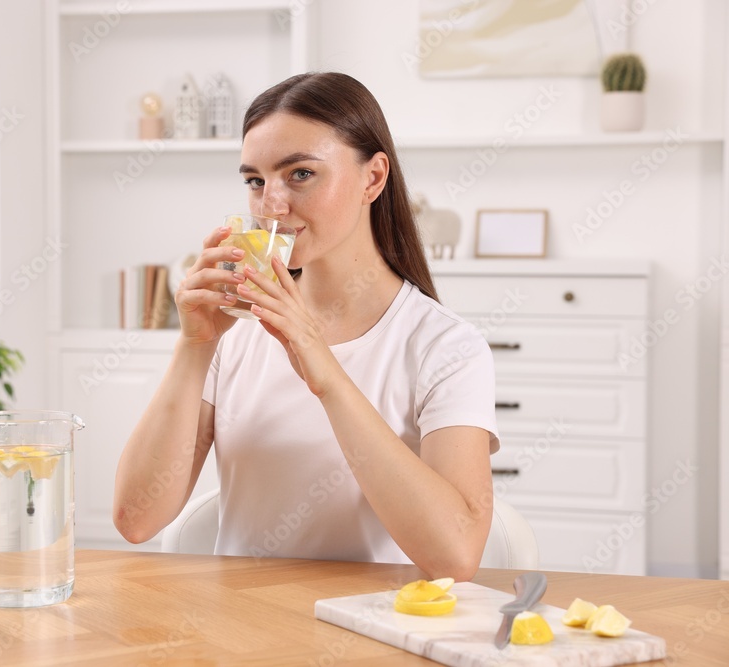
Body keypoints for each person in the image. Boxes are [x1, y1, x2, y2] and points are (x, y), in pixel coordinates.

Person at [113, 72, 499, 581]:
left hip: (377, 633)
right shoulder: (236, 333)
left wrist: (324, 370)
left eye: (299, 174)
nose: (271, 204)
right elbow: (137, 520)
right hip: (243, 635)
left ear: (373, 178)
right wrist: (194, 345)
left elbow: (455, 556)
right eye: (255, 180)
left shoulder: (446, 346)